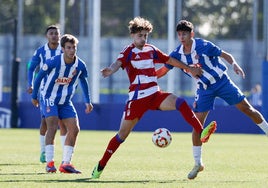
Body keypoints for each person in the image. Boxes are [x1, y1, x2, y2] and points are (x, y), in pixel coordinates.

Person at [90, 17, 216, 179]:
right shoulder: (128, 52)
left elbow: (170, 60)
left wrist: (189, 68)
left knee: (181, 102)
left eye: (145, 36)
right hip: (137, 99)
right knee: (122, 135)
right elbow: (117, 63)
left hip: (155, 94)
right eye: (140, 36)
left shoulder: (151, 49)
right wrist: (109, 70)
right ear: (132, 36)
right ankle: (100, 166)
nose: (143, 39)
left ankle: (201, 132)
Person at [156, 19, 268, 180]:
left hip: (222, 82)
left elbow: (226, 55)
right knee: (197, 125)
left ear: (191, 34)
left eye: (185, 34)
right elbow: (163, 71)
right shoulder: (176, 54)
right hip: (204, 90)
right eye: (179, 34)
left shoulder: (203, 45)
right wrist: (148, 77)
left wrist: (235, 64)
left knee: (247, 109)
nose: (181, 37)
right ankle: (198, 163)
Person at [31, 34, 93, 173]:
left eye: (74, 48)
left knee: (75, 128)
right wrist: (35, 96)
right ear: (63, 49)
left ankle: (66, 164)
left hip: (65, 101)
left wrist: (87, 101)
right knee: (52, 126)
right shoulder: (53, 61)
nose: (72, 50)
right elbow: (39, 76)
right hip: (49, 98)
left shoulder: (80, 65)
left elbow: (83, 81)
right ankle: (50, 162)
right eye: (69, 48)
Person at [27, 25, 67, 163]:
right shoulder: (41, 51)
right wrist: (31, 84)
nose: (54, 35)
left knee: (63, 122)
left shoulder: (64, 51)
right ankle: (44, 151)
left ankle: (64, 155)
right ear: (47, 36)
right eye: (51, 33)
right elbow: (31, 68)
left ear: (60, 36)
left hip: (62, 90)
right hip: (45, 91)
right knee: (46, 122)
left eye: (56, 33)